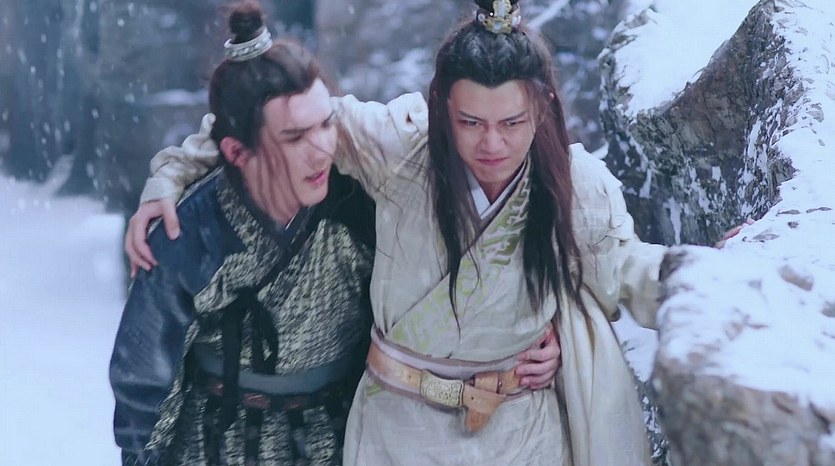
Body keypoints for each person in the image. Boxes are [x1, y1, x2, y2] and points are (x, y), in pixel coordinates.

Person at [126, 0, 668, 464]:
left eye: (512, 123)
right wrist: (170, 174)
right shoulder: (399, 149)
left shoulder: (574, 184)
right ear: (442, 105)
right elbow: (267, 120)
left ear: (543, 109)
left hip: (521, 429)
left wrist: (690, 279)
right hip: (399, 430)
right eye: (470, 122)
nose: (492, 145)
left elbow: (625, 266)